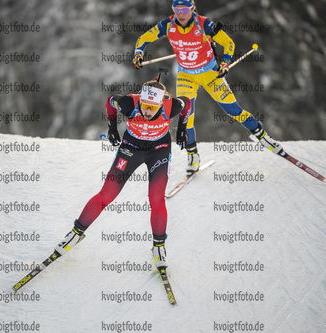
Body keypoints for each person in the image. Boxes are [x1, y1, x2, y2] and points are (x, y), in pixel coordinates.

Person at [54, 78, 192, 270]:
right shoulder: (129, 103)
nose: (147, 111)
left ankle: (159, 247)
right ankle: (76, 233)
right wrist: (111, 127)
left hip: (159, 150)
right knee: (107, 194)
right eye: (145, 105)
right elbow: (110, 101)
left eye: (153, 107)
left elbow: (188, 103)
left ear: (161, 103)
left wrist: (183, 129)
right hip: (131, 148)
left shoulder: (172, 106)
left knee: (156, 199)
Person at [132, 0, 283, 175]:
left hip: (211, 74)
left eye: (184, 9)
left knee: (233, 110)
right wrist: (138, 53)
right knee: (185, 115)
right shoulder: (167, 25)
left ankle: (262, 136)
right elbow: (143, 39)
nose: (180, 14)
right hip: (186, 76)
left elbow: (229, 43)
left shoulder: (204, 23)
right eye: (176, 9)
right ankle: (193, 156)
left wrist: (225, 63)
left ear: (192, 9)